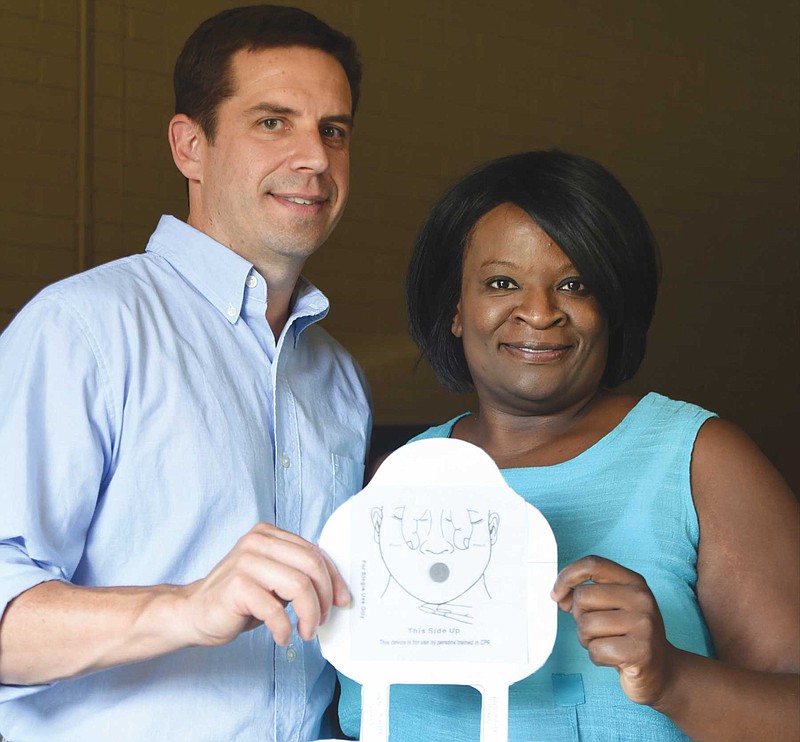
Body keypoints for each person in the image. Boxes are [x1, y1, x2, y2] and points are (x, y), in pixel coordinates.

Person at [337, 151, 799, 741]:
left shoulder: (699, 458)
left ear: (611, 303)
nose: (539, 312)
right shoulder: (400, 478)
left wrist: (672, 679)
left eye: (574, 284)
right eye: (502, 282)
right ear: (456, 309)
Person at [0, 6, 371, 742]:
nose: (316, 159)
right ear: (189, 146)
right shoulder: (82, 330)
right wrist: (187, 606)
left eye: (334, 129)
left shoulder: (339, 379)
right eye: (273, 122)